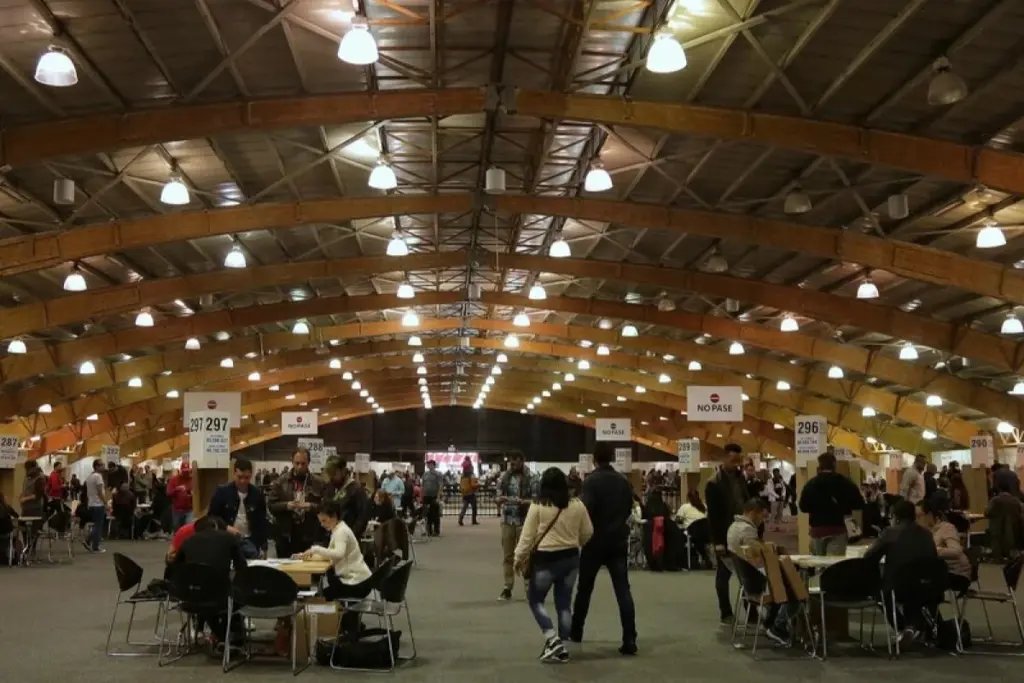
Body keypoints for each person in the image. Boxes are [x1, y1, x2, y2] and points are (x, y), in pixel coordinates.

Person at [513, 467, 593, 664]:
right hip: (571, 558)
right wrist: (577, 541)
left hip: (545, 560)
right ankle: (562, 647)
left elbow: (527, 537)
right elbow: (588, 531)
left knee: (535, 600)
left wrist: (518, 557)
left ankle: (551, 637)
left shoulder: (538, 506)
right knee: (564, 604)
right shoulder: (577, 505)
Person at [570, 442, 637, 655]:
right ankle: (630, 638)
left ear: (594, 459)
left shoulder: (591, 481)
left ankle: (576, 631)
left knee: (585, 589)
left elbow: (585, 509)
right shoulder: (623, 481)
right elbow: (629, 507)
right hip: (617, 542)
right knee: (623, 591)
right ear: (612, 458)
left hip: (594, 542)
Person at [863, 500, 938, 638]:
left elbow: (869, 557)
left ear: (895, 517)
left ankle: (902, 628)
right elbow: (934, 558)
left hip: (897, 587)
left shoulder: (889, 533)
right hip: (928, 585)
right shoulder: (927, 534)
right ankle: (914, 626)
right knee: (912, 589)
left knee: (879, 593)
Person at [726, 498, 797, 645]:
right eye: (762, 517)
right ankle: (777, 627)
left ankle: (770, 623)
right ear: (753, 512)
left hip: (747, 582)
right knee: (795, 592)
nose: (762, 521)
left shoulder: (733, 527)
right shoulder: (747, 530)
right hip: (757, 584)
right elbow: (760, 556)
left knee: (784, 585)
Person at [172, 514, 246, 644]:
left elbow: (175, 568)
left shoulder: (188, 541)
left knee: (207, 592)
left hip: (190, 597)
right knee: (234, 594)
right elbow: (242, 567)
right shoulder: (228, 538)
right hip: (220, 596)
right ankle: (230, 635)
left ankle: (217, 634)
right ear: (216, 527)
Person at [304, 500, 373, 636]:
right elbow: (332, 555)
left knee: (322, 596)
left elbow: (338, 554)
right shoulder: (340, 529)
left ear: (334, 516)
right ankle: (349, 625)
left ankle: (336, 628)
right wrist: (310, 554)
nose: (322, 525)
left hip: (356, 583)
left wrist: (317, 549)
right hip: (360, 579)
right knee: (325, 594)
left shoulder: (341, 532)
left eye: (324, 521)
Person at [705, 443, 749, 623]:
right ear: (724, 459)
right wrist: (718, 542)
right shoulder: (713, 483)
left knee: (747, 574)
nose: (737, 464)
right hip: (724, 534)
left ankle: (751, 612)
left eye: (739, 460)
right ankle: (725, 611)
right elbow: (713, 516)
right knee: (724, 574)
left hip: (743, 532)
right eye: (733, 460)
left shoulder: (741, 478)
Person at [798, 452, 865, 556]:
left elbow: (803, 507)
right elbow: (859, 504)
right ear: (834, 465)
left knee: (819, 564)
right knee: (834, 566)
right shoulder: (845, 482)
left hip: (817, 530)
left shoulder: (810, 484)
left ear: (819, 465)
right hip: (838, 529)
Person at [268, 448, 326, 558]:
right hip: (286, 536)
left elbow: (327, 508)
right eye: (297, 463)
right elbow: (271, 505)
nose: (300, 467)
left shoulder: (319, 483)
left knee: (310, 571)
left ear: (309, 462)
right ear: (292, 462)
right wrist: (286, 505)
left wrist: (310, 506)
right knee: (286, 571)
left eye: (303, 463)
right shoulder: (280, 482)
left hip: (310, 535)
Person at [208, 456, 269, 559]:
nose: (243, 481)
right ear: (234, 473)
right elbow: (211, 517)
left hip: (251, 542)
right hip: (227, 541)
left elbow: (262, 522)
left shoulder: (257, 494)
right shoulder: (222, 492)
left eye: (247, 477)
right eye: (239, 477)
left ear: (251, 475)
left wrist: (264, 547)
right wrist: (227, 527)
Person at [496, 453, 538, 601]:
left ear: (522, 461)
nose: (512, 466)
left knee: (525, 556)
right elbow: (497, 496)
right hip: (507, 521)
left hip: (525, 522)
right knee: (508, 556)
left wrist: (523, 502)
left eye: (515, 462)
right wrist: (500, 500)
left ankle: (528, 586)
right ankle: (507, 587)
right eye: (511, 463)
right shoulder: (504, 477)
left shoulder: (532, 477)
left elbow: (537, 501)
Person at [916, 499, 970, 594]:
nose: (916, 520)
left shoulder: (946, 528)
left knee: (919, 582)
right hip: (939, 572)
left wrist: (933, 551)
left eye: (919, 516)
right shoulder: (922, 532)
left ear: (929, 515)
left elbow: (956, 551)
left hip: (956, 574)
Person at [323, 455, 370, 539]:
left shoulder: (356, 490)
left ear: (343, 471)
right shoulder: (329, 487)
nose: (331, 477)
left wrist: (349, 537)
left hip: (348, 539)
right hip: (330, 537)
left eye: (334, 474)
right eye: (330, 474)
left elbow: (362, 518)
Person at [986, 477, 1024, 560]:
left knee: (995, 539)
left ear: (999, 489)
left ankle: (997, 557)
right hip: (1014, 527)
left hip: (996, 528)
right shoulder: (1016, 501)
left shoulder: (995, 500)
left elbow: (987, 512)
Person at [83, 459, 109, 553]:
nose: (103, 467)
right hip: (98, 504)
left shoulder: (89, 477)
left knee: (96, 524)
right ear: (96, 466)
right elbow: (99, 492)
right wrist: (105, 503)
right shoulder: (98, 476)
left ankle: (92, 543)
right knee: (98, 526)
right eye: (102, 465)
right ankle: (91, 543)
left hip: (91, 503)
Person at [167, 462, 194, 531]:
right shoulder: (174, 480)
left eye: (188, 471)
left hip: (189, 509)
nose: (186, 473)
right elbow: (169, 493)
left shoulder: (192, 480)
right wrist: (177, 489)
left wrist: (192, 494)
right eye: (184, 471)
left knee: (188, 528)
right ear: (181, 470)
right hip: (177, 509)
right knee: (177, 528)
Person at [421, 460, 442, 537]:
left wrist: (438, 497)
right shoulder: (425, 474)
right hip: (426, 496)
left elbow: (440, 486)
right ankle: (429, 531)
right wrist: (421, 496)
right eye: (428, 464)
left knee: (435, 514)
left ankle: (436, 531)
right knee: (427, 514)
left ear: (434, 465)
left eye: (430, 464)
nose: (429, 465)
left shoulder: (438, 474)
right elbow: (422, 486)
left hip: (434, 496)